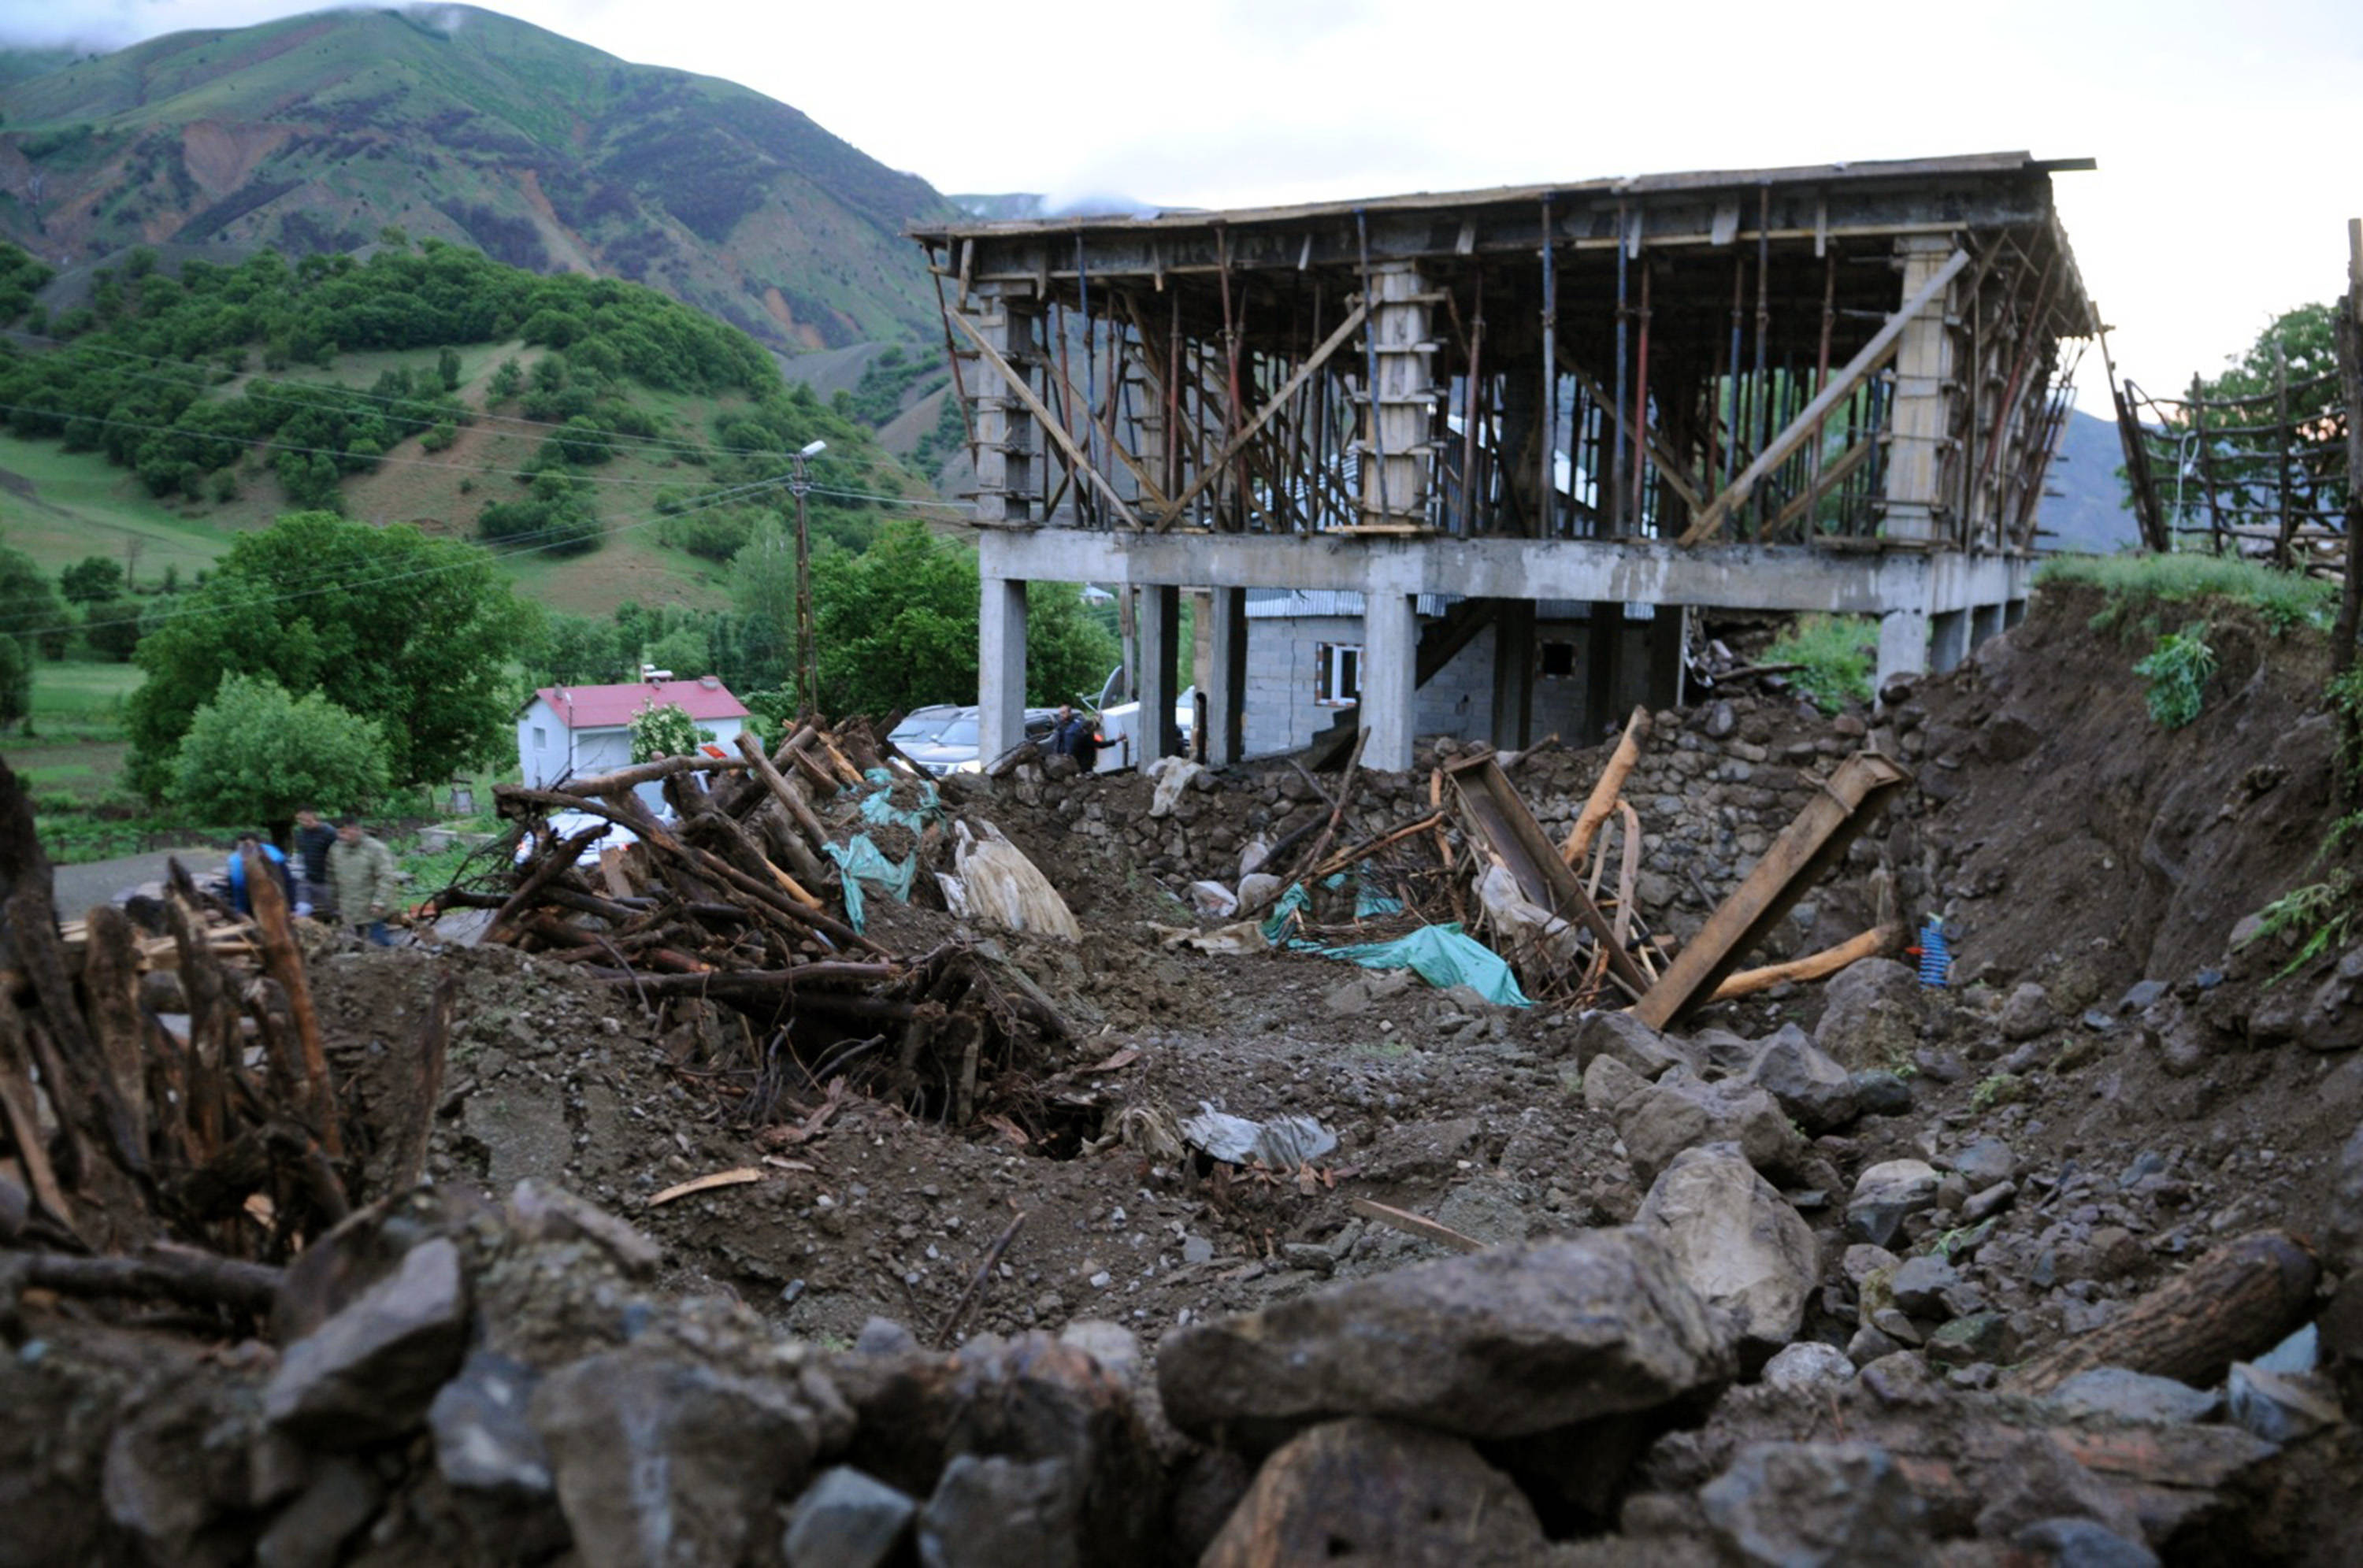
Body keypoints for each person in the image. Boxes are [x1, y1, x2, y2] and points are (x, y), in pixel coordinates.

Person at [328, 817, 401, 947]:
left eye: (344, 832)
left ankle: (399, 960)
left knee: (378, 943)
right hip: (349, 908)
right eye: (339, 833)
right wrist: (334, 903)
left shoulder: (376, 849)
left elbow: (386, 877)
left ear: (356, 829)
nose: (341, 837)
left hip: (371, 908)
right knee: (355, 945)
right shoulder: (336, 850)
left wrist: (379, 902)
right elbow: (332, 878)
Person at [223, 832, 295, 917]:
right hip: (253, 902)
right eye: (242, 847)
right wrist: (242, 911)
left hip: (276, 899)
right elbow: (238, 886)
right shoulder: (236, 862)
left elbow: (288, 883)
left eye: (248, 845)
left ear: (258, 844)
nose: (245, 849)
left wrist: (291, 907)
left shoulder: (274, 859)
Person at [293, 807, 337, 919]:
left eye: (303, 818)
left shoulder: (329, 833)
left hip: (326, 879)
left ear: (312, 815)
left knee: (332, 911)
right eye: (299, 820)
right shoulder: (301, 834)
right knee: (302, 908)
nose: (302, 822)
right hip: (308, 877)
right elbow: (300, 854)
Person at [1046, 704, 1100, 772]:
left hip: (1079, 756)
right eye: (1060, 713)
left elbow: (1089, 732)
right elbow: (1059, 741)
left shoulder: (1078, 723)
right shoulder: (1059, 726)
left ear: (1070, 713)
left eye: (1064, 712)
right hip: (1065, 756)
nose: (1061, 715)